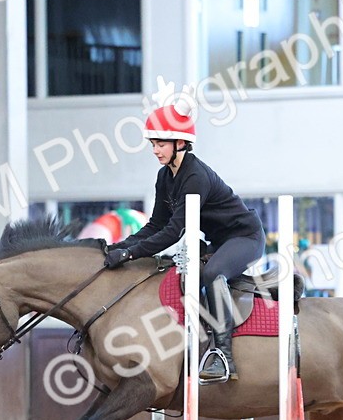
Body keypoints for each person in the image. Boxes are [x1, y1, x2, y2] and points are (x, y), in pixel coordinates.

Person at [104, 105, 265, 383]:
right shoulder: (165, 176)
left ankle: (223, 354)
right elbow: (155, 224)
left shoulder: (195, 176)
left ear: (181, 143)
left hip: (244, 237)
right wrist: (119, 247)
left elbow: (174, 231)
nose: (155, 150)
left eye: (161, 143)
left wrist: (130, 253)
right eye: (153, 144)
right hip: (218, 241)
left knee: (212, 274)